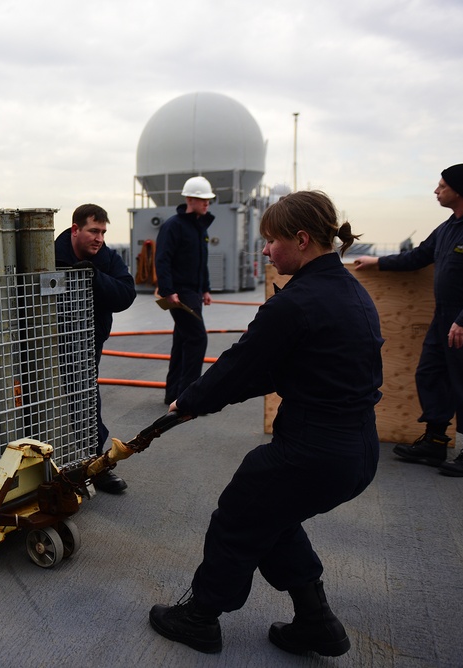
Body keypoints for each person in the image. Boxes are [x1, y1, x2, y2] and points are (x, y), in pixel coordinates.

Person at [149, 191, 383, 657]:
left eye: (271, 240)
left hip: (311, 450)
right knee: (272, 517)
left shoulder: (296, 302)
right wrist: (205, 399)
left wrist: (189, 402)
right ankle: (317, 622)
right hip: (357, 449)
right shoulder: (349, 290)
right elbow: (278, 368)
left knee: (239, 516)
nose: (264, 251)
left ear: (301, 239)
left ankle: (200, 618)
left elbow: (243, 365)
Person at [355, 163, 463, 477]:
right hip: (443, 321)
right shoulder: (449, 227)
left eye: (441, 185)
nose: (436, 190)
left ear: (459, 189)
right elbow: (418, 257)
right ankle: (435, 441)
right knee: (430, 375)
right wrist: (377, 262)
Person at [55, 204, 136, 493]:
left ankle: (95, 465)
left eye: (103, 232)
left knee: (85, 400)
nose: (99, 237)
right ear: (75, 229)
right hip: (47, 343)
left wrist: (95, 277)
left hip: (88, 343)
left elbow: (126, 294)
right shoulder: (49, 256)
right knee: (42, 401)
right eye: (93, 231)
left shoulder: (107, 259)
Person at [154, 176, 215, 404]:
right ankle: (188, 397)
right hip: (179, 294)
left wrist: (205, 289)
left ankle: (174, 394)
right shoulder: (174, 226)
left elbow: (202, 261)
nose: (207, 203)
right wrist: (169, 291)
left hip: (193, 293)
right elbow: (163, 259)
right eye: (202, 199)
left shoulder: (200, 228)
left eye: (208, 199)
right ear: (190, 199)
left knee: (182, 340)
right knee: (198, 339)